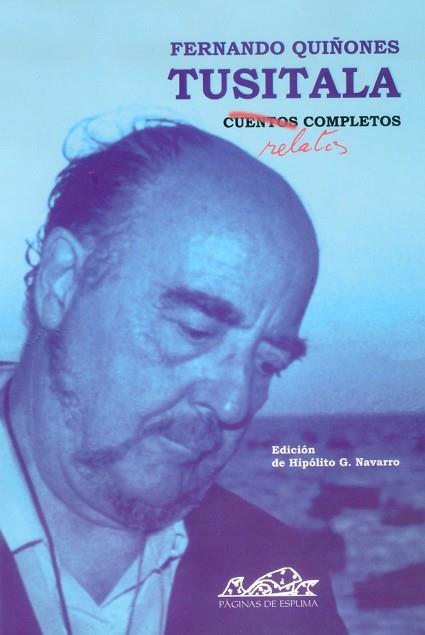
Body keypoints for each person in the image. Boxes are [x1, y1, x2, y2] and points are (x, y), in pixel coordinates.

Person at [0, 119, 348, 634]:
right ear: (61, 283)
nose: (234, 404)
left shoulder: (281, 578)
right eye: (195, 329)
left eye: (267, 364)